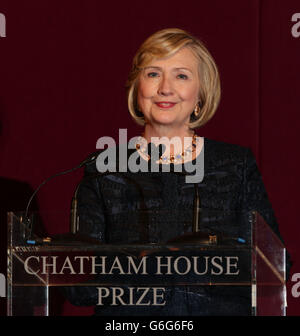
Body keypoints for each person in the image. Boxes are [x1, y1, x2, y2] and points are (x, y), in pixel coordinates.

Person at [67, 28, 290, 315]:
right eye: (153, 74)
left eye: (181, 75)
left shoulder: (235, 165)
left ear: (200, 95)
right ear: (138, 90)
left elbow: (272, 265)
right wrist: (146, 263)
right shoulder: (103, 169)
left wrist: (191, 261)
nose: (165, 88)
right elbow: (80, 285)